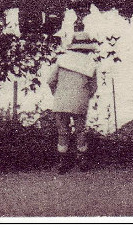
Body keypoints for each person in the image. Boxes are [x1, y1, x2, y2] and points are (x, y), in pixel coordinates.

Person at [46, 31, 99, 173]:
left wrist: (56, 93)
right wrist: (85, 96)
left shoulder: (61, 60)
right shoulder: (90, 64)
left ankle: (63, 162)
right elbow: (93, 87)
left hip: (60, 100)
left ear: (73, 47)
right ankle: (82, 160)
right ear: (87, 49)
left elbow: (51, 81)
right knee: (80, 130)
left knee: (62, 131)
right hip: (80, 101)